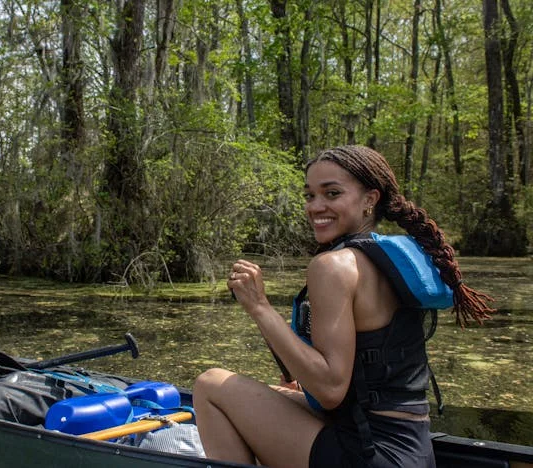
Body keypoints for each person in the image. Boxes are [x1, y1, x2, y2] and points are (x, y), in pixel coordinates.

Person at [193, 145, 494, 467]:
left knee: (211, 385)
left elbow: (330, 389)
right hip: (412, 450)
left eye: (332, 193)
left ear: (370, 199)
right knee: (277, 392)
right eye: (310, 195)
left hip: (370, 454)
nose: (315, 206)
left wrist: (259, 306)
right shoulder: (384, 258)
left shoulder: (334, 266)